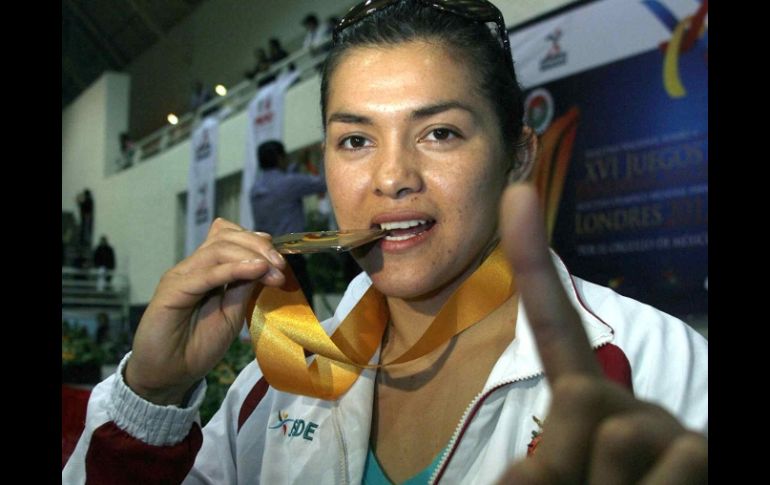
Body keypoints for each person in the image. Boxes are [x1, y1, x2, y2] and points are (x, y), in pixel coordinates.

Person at [63, 1, 707, 483]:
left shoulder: (652, 368)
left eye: (441, 133)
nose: (392, 177)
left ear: (517, 155)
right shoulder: (278, 381)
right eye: (356, 140)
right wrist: (152, 396)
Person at [249, 140, 326, 308]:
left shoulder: (256, 188)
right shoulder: (289, 183)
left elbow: (285, 181)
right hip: (292, 258)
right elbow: (323, 183)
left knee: (278, 310)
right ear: (279, 158)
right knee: (303, 309)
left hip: (267, 258)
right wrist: (324, 156)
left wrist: (297, 163)